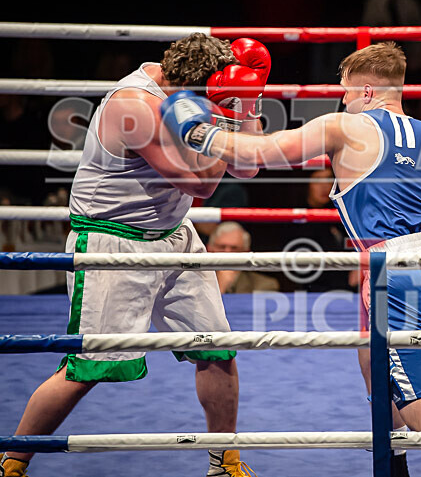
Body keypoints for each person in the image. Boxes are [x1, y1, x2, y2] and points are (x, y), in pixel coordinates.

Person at [162, 42, 421, 477]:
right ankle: (393, 466)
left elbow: (258, 155)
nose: (341, 98)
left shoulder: (344, 127)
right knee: (371, 357)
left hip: (395, 280)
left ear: (365, 91)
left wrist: (196, 131)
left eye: (344, 90)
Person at [0, 33, 270, 477]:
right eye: (211, 96)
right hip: (114, 244)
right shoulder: (135, 107)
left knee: (216, 349)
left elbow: (249, 165)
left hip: (175, 235)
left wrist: (246, 104)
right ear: (190, 87)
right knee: (88, 367)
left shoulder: (183, 89)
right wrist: (226, 112)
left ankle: (226, 463)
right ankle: (12, 461)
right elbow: (200, 184)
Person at [208, 222, 280, 294]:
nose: (227, 253)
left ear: (246, 252)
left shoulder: (264, 285)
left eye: (234, 248)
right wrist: (220, 288)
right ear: (209, 249)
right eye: (222, 247)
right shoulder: (198, 282)